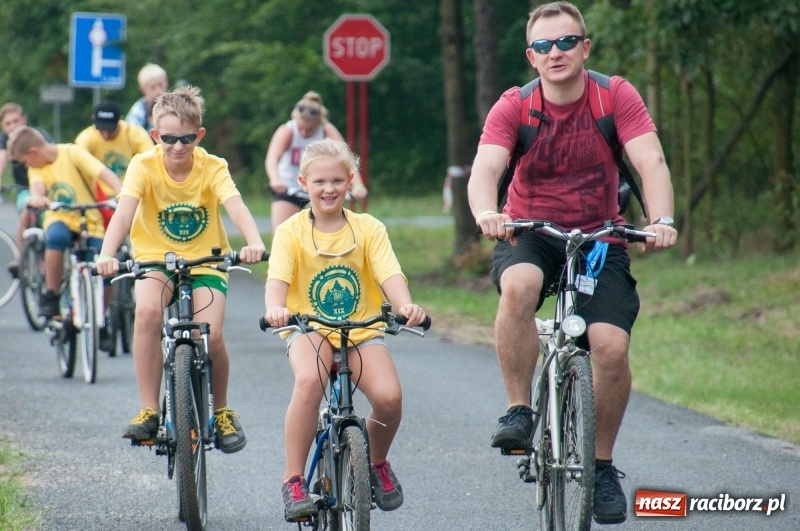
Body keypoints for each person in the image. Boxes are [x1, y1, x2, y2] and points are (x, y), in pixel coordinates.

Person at [467, 2, 678, 525]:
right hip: (530, 231)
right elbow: (485, 169)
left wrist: (662, 218)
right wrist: (488, 212)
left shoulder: (614, 95)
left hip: (600, 236)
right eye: (543, 46)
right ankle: (520, 410)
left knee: (609, 347)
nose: (555, 53)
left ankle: (601, 466)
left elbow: (649, 160)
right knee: (518, 289)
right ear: (530, 57)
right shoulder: (514, 106)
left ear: (585, 47)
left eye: (565, 42)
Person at [95, 85, 266, 454]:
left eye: (186, 139)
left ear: (198, 135)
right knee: (147, 314)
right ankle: (149, 410)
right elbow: (123, 212)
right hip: (156, 259)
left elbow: (235, 206)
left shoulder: (213, 166)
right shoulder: (143, 165)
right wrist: (107, 254)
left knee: (212, 334)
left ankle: (221, 412)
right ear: (156, 135)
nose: (177, 146)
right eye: (168, 138)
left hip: (207, 259)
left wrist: (253, 242)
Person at [264, 138, 427, 519]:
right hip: (309, 328)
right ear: (303, 183)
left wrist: (404, 305)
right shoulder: (290, 231)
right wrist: (275, 310)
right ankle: (293, 480)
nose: (329, 189)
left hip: (361, 329)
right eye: (319, 182)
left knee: (388, 397)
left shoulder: (369, 228)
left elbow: (390, 274)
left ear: (350, 181)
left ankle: (376, 462)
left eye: (338, 180)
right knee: (309, 381)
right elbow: (277, 283)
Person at [7, 126, 122, 319]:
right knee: (56, 237)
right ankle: (53, 294)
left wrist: (121, 193)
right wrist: (37, 198)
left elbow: (103, 173)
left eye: (25, 161)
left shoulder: (72, 152)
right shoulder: (37, 168)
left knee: (104, 265)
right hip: (59, 216)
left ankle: (100, 316)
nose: (27, 166)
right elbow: (37, 187)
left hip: (89, 218)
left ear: (34, 152)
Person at [75, 100, 155, 351]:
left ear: (120, 122)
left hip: (133, 196)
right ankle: (104, 313)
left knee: (140, 239)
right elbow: (79, 169)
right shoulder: (86, 138)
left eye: (111, 128)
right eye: (102, 128)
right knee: (101, 253)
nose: (106, 133)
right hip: (101, 201)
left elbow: (152, 159)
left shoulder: (135, 134)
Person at [264, 91, 368, 233]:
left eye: (310, 130)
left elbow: (346, 159)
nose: (305, 134)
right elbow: (272, 158)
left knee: (325, 234)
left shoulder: (326, 130)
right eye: (301, 129)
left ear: (319, 122)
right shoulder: (287, 130)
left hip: (319, 189)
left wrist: (358, 185)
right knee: (282, 233)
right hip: (289, 187)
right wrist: (275, 179)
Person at [0, 103, 55, 275]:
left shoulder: (36, 137)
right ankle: (20, 258)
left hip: (47, 189)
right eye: (8, 123)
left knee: (49, 219)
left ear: (24, 119)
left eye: (16, 121)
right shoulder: (5, 141)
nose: (13, 126)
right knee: (26, 207)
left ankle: (50, 258)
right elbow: (1, 160)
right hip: (25, 189)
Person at [125, 63, 169, 132]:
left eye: (160, 85)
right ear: (143, 90)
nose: (158, 90)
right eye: (152, 87)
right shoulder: (138, 111)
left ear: (166, 82)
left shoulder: (175, 105)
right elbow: (132, 135)